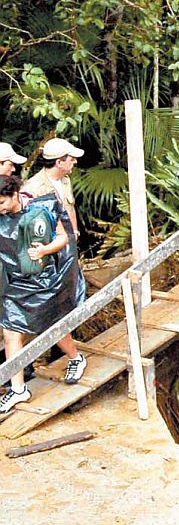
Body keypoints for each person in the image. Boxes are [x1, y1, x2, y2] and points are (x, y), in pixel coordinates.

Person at [0, 175, 87, 415]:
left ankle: (75, 357)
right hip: (14, 283)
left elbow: (63, 237)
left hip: (43, 281)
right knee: (10, 333)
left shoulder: (41, 208)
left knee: (52, 328)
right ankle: (18, 389)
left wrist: (45, 249)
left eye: (2, 203)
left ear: (14, 195)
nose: (0, 208)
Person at [23, 138, 83, 245]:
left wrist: (74, 231)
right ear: (59, 162)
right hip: (47, 245)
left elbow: (70, 207)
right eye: (72, 159)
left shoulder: (65, 180)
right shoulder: (32, 188)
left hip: (67, 241)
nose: (75, 161)